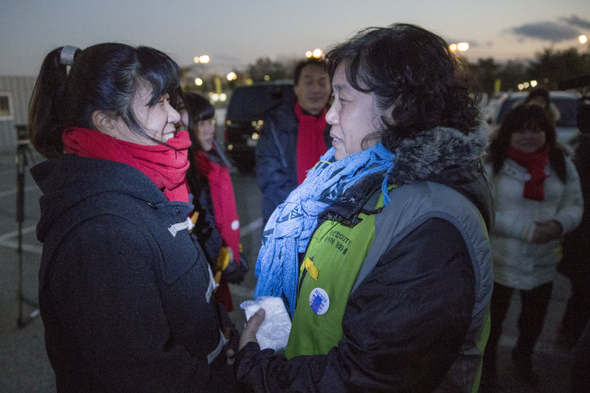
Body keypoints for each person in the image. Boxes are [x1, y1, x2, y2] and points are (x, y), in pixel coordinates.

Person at [236, 23, 494, 392]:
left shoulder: (433, 225)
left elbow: (367, 379)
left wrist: (256, 368)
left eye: (342, 100)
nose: (329, 115)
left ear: (398, 108)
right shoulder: (359, 177)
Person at [28, 43, 240, 392]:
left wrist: (224, 337)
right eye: (158, 103)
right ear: (107, 122)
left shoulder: (150, 188)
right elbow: (148, 376)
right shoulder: (102, 232)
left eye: (170, 101)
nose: (175, 115)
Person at [482, 104, 583, 388]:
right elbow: (483, 209)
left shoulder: (561, 163)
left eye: (536, 129)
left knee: (532, 323)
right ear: (508, 133)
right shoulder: (493, 163)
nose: (529, 135)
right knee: (493, 323)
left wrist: (559, 224)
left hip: (543, 262)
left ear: (546, 132)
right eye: (521, 129)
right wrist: (526, 230)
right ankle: (488, 371)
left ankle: (522, 361)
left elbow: (574, 205)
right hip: (499, 262)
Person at [177, 92, 249, 313]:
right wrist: (225, 260)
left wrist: (235, 252)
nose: (209, 129)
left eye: (211, 121)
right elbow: (203, 225)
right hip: (209, 267)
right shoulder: (190, 170)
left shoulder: (211, 160)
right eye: (201, 123)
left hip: (221, 260)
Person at [256, 58, 332, 224]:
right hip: (286, 222)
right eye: (308, 82)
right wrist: (309, 209)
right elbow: (270, 178)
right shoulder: (276, 124)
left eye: (322, 82)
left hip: (331, 224)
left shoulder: (339, 125)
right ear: (296, 88)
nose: (316, 89)